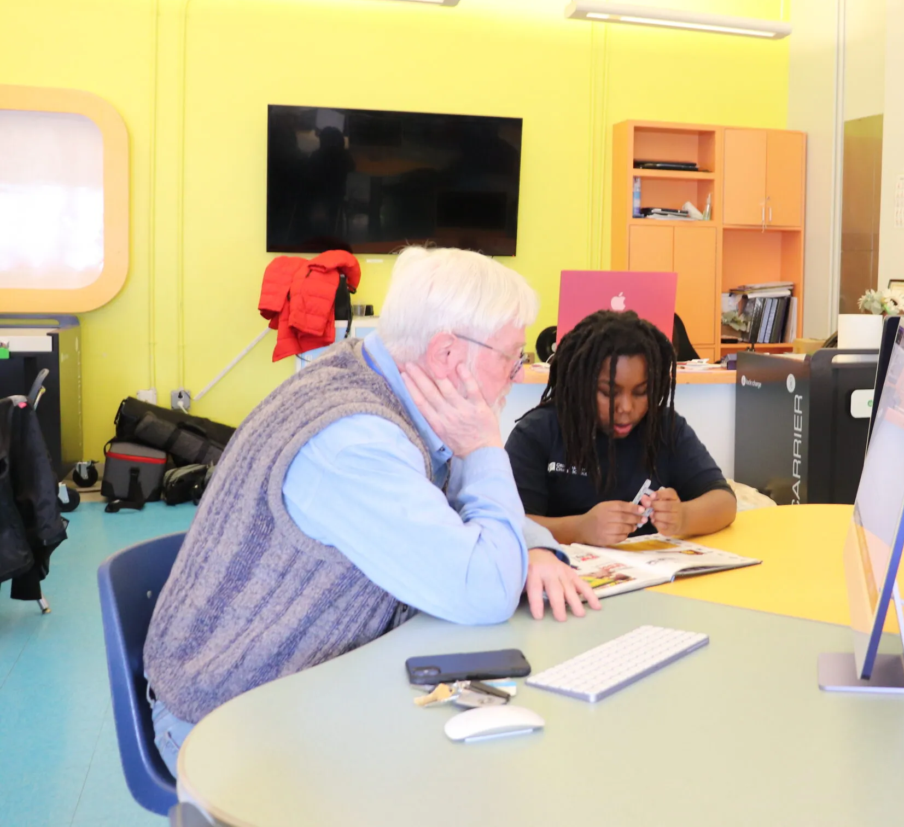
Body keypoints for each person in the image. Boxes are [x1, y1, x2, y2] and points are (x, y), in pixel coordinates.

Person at [142, 247, 598, 773]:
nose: (518, 375)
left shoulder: (379, 372)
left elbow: (442, 505)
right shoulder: (357, 442)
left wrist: (535, 548)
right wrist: (485, 451)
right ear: (448, 353)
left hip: (305, 681)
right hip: (226, 717)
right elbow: (487, 591)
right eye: (511, 357)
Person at [506, 310, 736, 546]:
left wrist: (683, 516)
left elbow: (724, 502)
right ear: (580, 384)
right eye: (609, 393)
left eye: (641, 392)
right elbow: (510, 525)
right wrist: (579, 529)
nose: (626, 407)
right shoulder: (537, 433)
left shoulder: (664, 427)